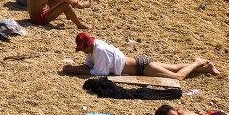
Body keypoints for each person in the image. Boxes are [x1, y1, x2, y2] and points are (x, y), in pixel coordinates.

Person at [62, 32, 219, 81]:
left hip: (142, 67)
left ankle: (197, 62)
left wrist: (74, 71)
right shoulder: (93, 49)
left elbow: (98, 73)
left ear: (87, 45)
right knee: (175, 67)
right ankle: (205, 67)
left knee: (177, 76)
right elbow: (89, 66)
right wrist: (74, 68)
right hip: (140, 63)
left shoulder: (100, 50)